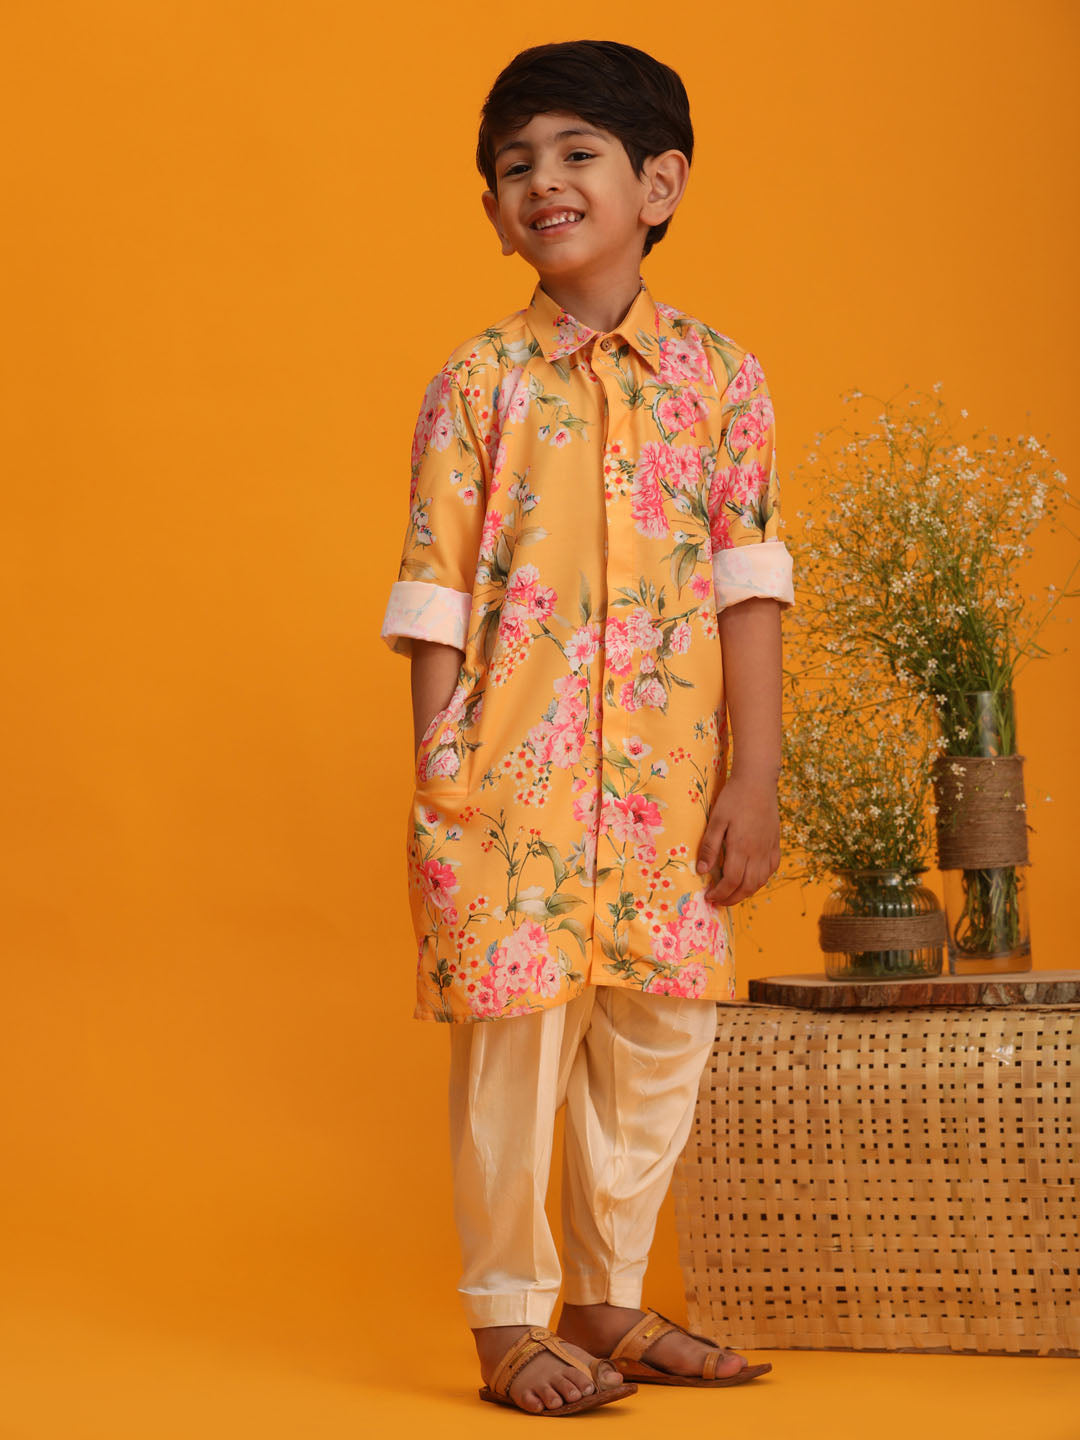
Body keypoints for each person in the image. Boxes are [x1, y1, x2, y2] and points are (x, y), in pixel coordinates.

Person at [380, 38, 794, 1417]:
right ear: (493, 209)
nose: (541, 182)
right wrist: (442, 769)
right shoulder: (478, 380)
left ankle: (608, 1298)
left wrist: (754, 774)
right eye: (515, 166)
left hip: (671, 785)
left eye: (576, 154)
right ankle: (508, 1321)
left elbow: (749, 585)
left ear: (658, 184)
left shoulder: (724, 381)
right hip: (510, 782)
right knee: (514, 1044)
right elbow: (435, 590)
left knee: (659, 1035)